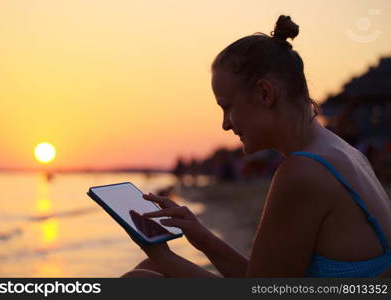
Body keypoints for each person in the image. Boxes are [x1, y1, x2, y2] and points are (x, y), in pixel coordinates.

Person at [122, 15, 391, 277]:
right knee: (152, 269)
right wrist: (202, 237)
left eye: (227, 107)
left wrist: (163, 256)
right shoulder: (342, 151)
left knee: (142, 279)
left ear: (265, 93)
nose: (225, 124)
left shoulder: (303, 172)